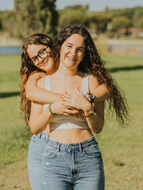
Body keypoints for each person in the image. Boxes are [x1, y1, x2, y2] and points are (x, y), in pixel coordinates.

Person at [27, 25, 129, 190]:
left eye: (80, 49)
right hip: (53, 156)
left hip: (88, 155)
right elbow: (34, 128)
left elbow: (98, 128)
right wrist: (53, 109)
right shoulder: (41, 82)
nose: (73, 53)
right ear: (59, 46)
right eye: (69, 46)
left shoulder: (91, 81)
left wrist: (87, 108)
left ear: (84, 53)